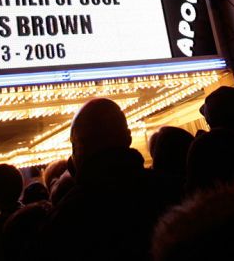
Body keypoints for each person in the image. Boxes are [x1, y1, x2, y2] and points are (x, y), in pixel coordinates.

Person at [39, 99, 168, 261]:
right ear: (128, 138)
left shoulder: (67, 216)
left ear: (79, 147)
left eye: (74, 144)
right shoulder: (170, 190)